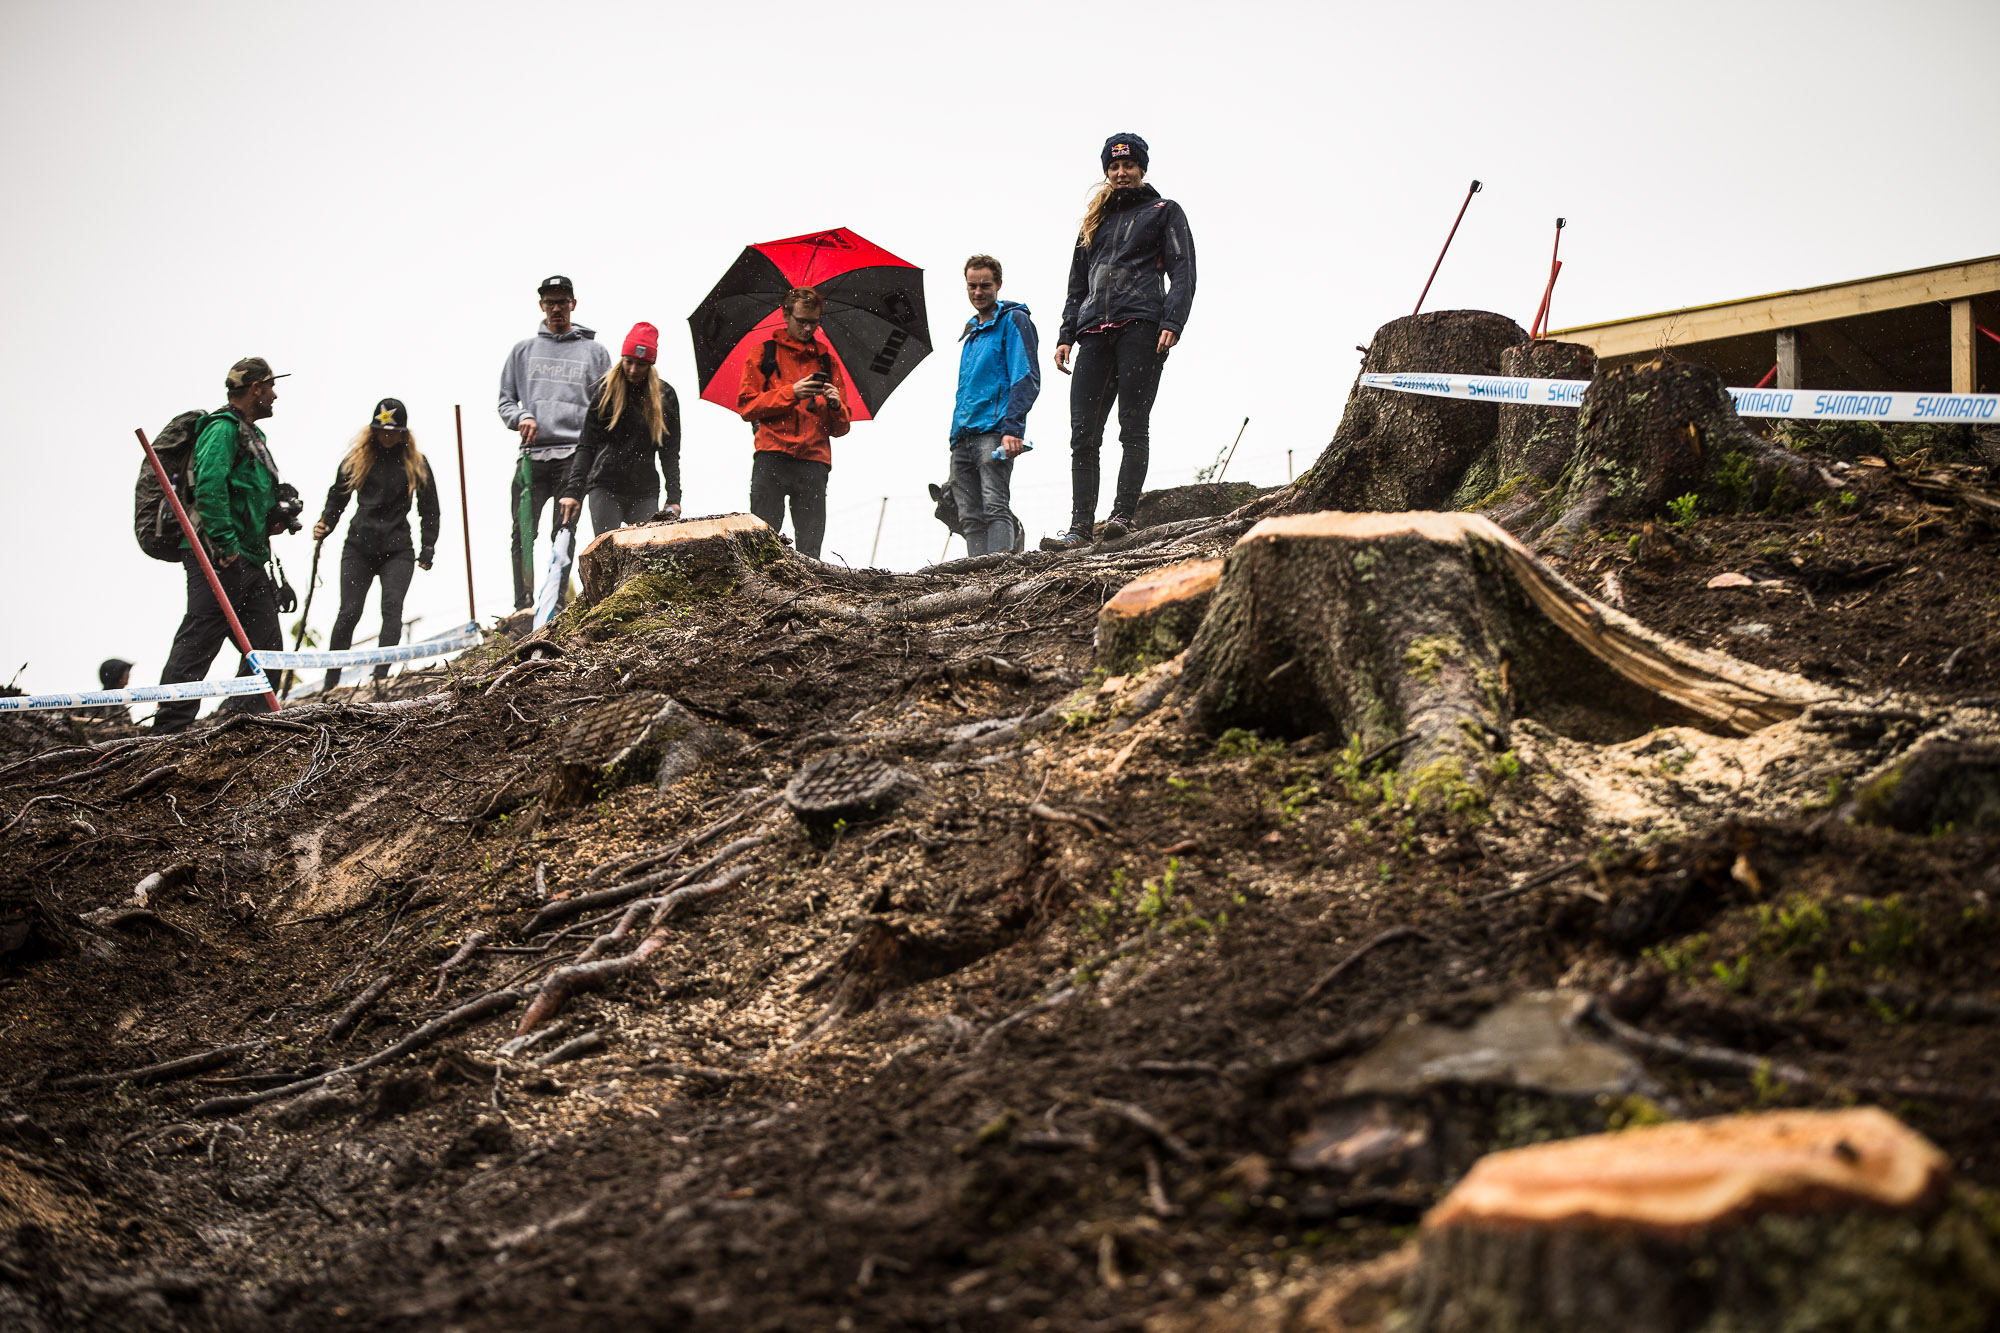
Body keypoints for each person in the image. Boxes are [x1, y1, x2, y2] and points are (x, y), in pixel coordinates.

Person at [1042, 132, 1197, 551]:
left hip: (1142, 327)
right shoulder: (1093, 222)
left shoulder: (1164, 211)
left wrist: (1173, 320)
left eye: (1128, 165)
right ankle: (1078, 529)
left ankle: (1122, 517)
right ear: (1106, 171)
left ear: (1142, 169)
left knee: (1133, 426)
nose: (1121, 172)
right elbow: (1077, 285)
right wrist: (1065, 335)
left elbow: (1183, 270)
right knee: (1083, 435)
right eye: (1113, 166)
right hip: (1093, 333)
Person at [154, 357, 292, 733]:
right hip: (217, 556)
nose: (276, 395)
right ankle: (167, 732)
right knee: (199, 639)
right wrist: (227, 546)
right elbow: (209, 488)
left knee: (267, 648)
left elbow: (245, 497)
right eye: (271, 387)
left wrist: (275, 517)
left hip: (249, 558)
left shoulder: (253, 436)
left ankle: (246, 721)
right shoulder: (221, 429)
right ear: (255, 389)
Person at [498, 275, 612, 610]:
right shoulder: (523, 351)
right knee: (522, 533)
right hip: (532, 457)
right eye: (550, 302)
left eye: (563, 301)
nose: (557, 308)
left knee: (561, 532)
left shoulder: (594, 352)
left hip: (573, 457)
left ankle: (555, 603)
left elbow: (604, 408)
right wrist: (522, 417)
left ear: (573, 304)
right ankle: (524, 605)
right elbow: (505, 401)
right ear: (541, 306)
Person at [312, 398, 441, 691]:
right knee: (348, 612)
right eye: (381, 430)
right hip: (359, 545)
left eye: (393, 431)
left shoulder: (417, 464)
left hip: (398, 548)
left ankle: (380, 678)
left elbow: (430, 509)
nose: (387, 436)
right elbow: (338, 497)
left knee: (392, 608)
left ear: (403, 433)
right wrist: (326, 524)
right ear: (373, 431)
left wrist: (428, 548)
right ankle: (330, 683)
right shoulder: (357, 459)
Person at [737, 286, 852, 559]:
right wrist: (792, 393)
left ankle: (809, 599)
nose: (808, 328)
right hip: (772, 456)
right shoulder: (762, 353)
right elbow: (747, 407)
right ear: (785, 315)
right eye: (802, 321)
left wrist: (836, 405)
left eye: (814, 322)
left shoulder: (828, 361)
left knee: (811, 549)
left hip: (814, 462)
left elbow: (841, 428)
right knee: (761, 544)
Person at [950, 255, 1040, 556]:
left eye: (985, 285)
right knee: (969, 516)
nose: (978, 292)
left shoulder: (1014, 320)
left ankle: (997, 573)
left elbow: (1025, 376)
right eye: (972, 286)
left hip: (994, 432)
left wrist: (1012, 428)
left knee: (995, 507)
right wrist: (955, 436)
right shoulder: (971, 333)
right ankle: (974, 578)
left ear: (998, 284)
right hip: (962, 437)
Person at [557, 322, 683, 537]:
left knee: (647, 553)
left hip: (644, 490)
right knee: (609, 552)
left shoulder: (665, 397)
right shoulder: (605, 394)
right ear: (622, 360)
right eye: (629, 362)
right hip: (606, 486)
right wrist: (573, 492)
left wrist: (674, 499)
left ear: (650, 364)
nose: (633, 370)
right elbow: (586, 445)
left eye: (641, 364)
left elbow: (670, 454)